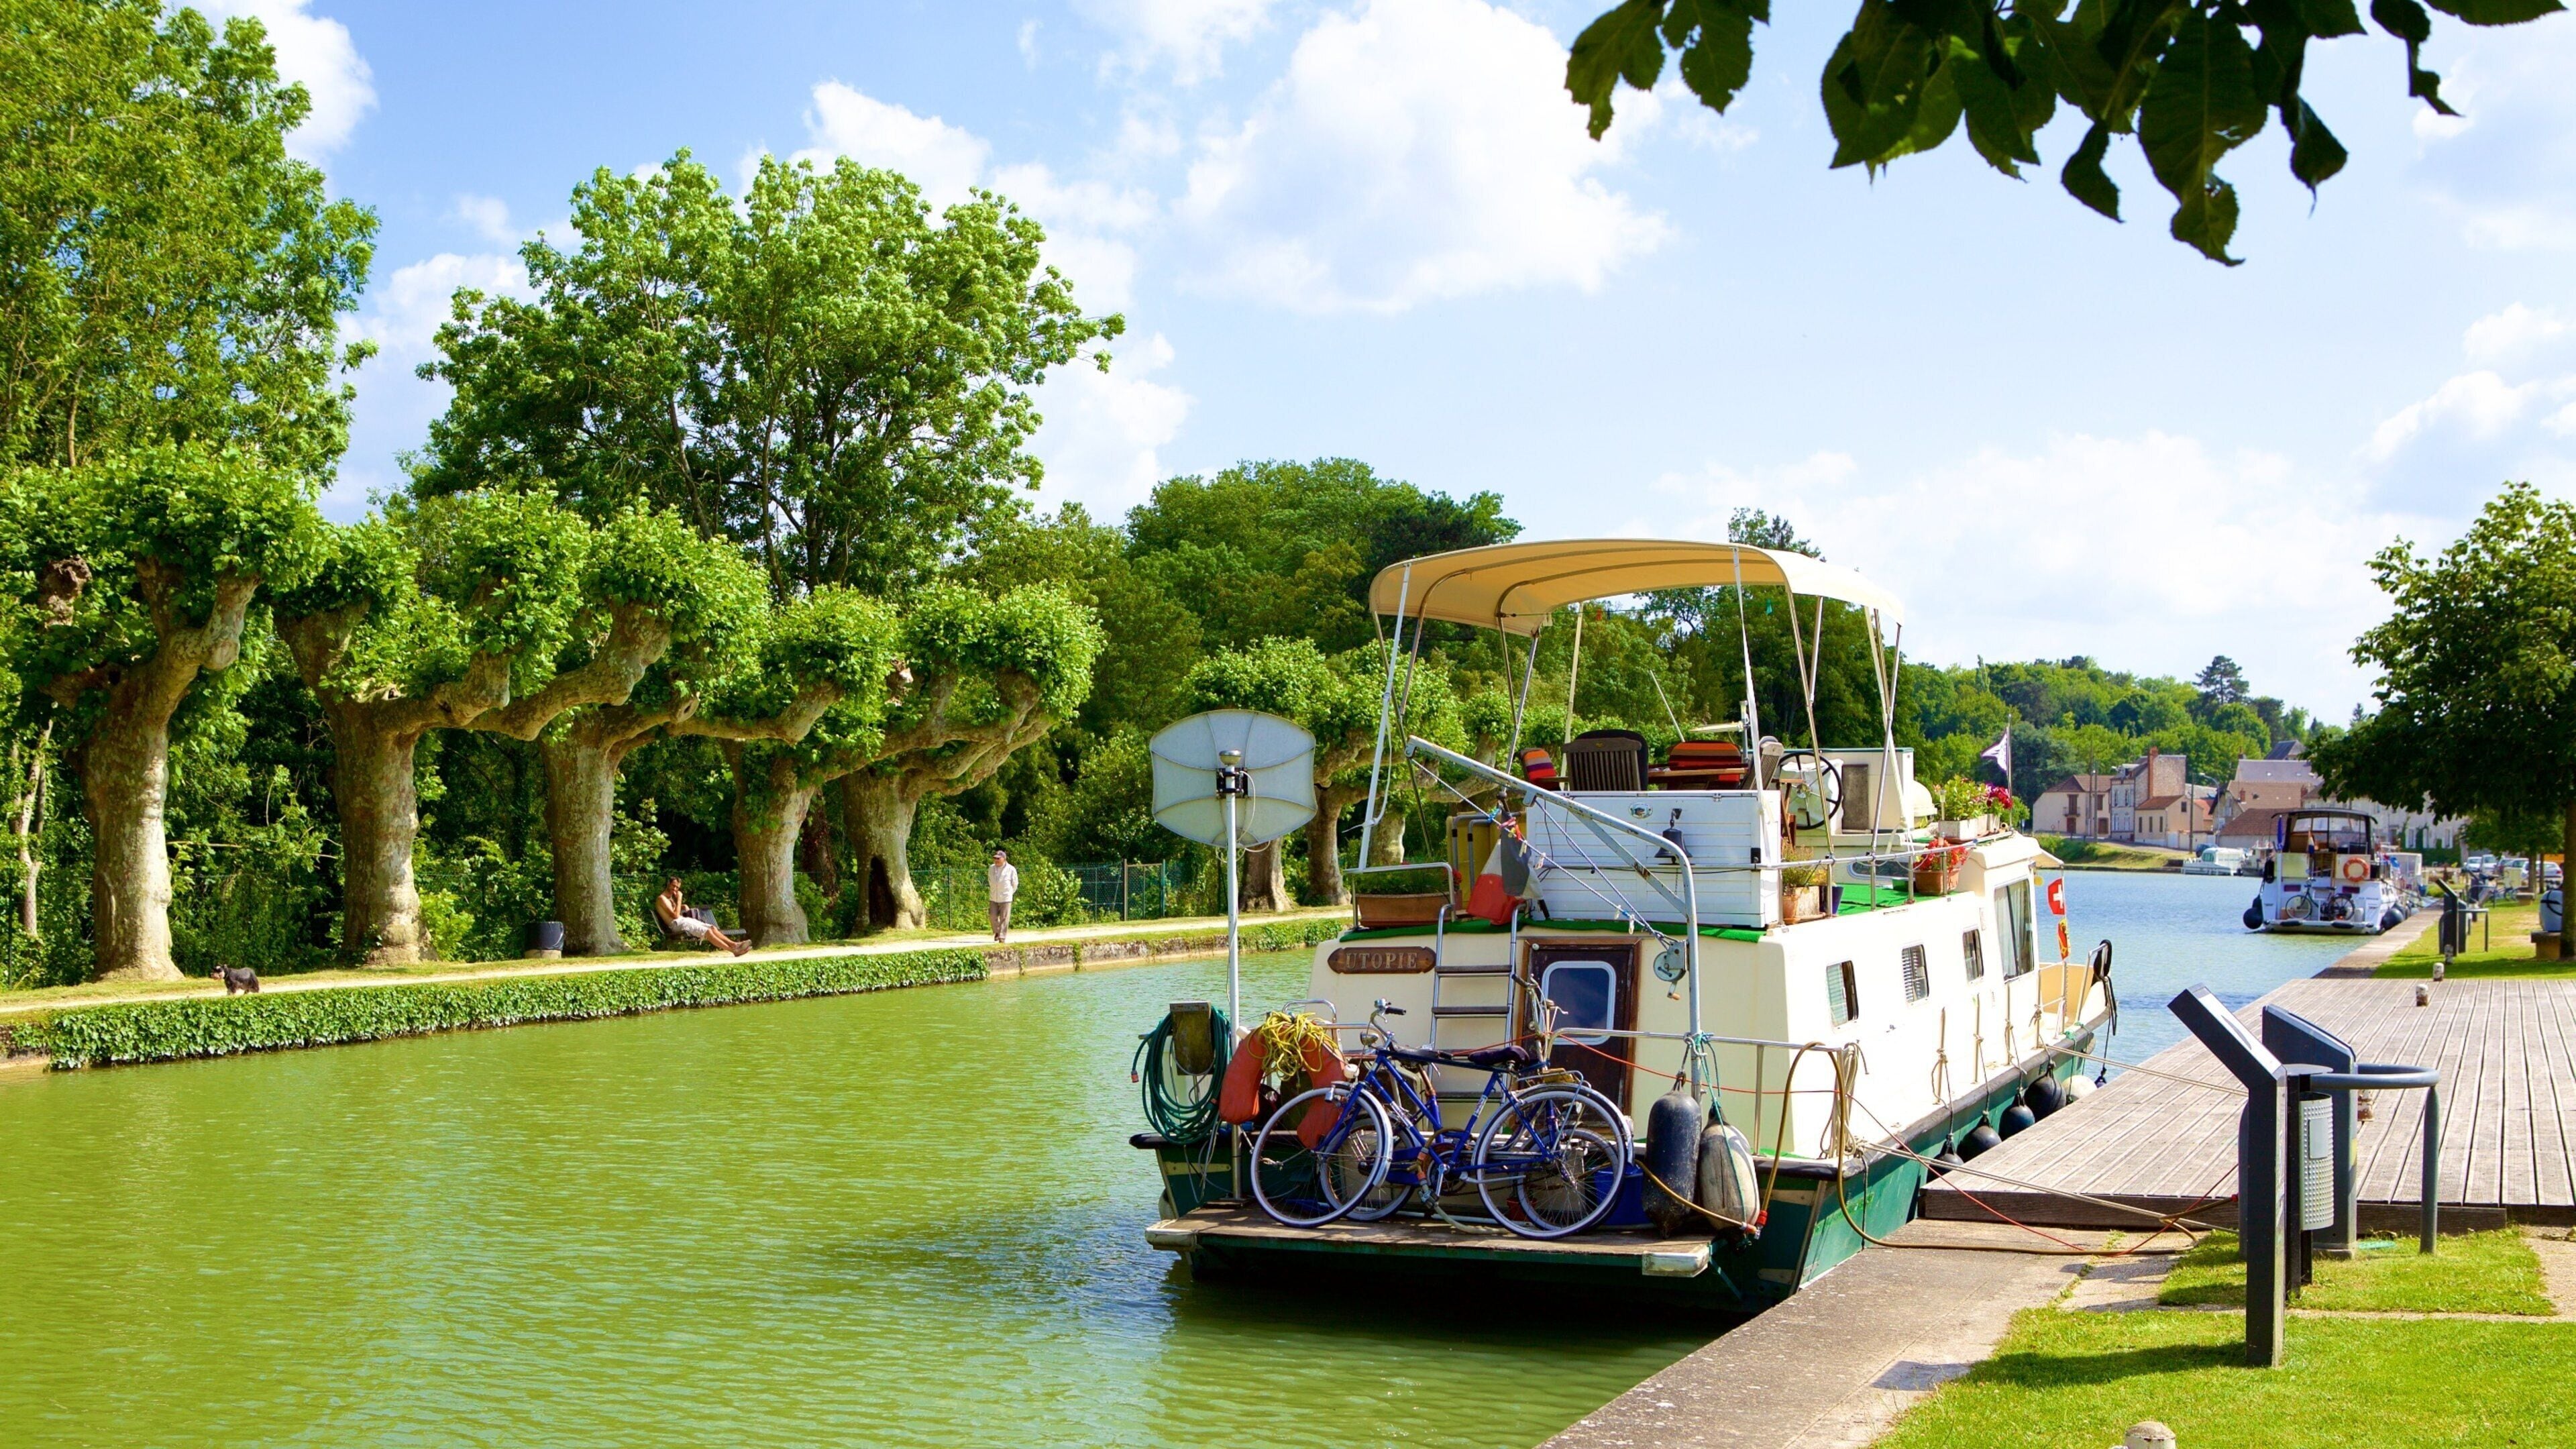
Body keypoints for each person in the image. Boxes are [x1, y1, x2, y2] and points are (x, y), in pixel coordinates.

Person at [654, 877, 751, 956]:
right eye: (673, 886)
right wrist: (679, 899)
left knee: (712, 928)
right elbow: (675, 915)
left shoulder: (670, 898)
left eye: (677, 888)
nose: (675, 889)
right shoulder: (661, 899)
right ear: (668, 884)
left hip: (682, 921)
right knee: (707, 932)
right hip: (676, 924)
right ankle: (733, 951)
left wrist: (683, 906)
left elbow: (674, 911)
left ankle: (735, 944)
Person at [987, 848, 1019, 943]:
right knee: (992, 916)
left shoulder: (1011, 869)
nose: (996, 860)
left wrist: (1009, 893)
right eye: (995, 858)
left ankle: (1002, 937)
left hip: (1006, 897)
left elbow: (1015, 883)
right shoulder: (991, 868)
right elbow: (989, 880)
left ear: (1004, 859)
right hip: (994, 897)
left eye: (998, 859)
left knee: (1004, 918)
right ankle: (997, 931)